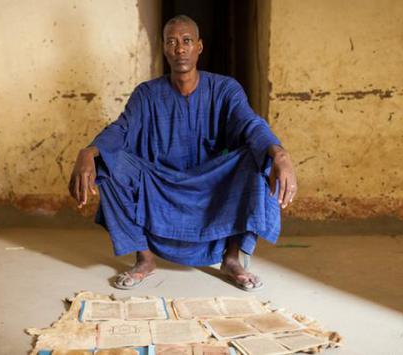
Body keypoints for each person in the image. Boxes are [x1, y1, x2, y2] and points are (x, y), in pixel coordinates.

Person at [69, 15, 297, 291]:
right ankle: (145, 258)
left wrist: (280, 154)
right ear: (164, 49)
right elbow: (122, 129)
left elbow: (250, 124)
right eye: (172, 42)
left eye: (186, 41)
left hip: (213, 183)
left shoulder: (224, 89)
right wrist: (89, 152)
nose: (179, 48)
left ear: (199, 47)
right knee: (109, 162)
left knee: (258, 160)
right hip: (160, 183)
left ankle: (232, 257)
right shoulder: (146, 94)